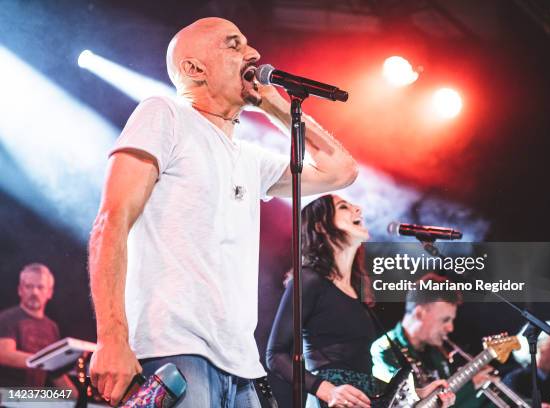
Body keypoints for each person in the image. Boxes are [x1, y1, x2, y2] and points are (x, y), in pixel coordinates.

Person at [88, 17, 359, 407]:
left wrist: (274, 104)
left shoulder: (248, 156)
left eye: (248, 44)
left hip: (242, 366)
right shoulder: (164, 114)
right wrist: (111, 339)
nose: (253, 54)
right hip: (174, 351)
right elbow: (110, 223)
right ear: (194, 69)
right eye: (233, 45)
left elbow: (341, 171)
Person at [266, 195, 455, 408]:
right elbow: (275, 355)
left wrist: (417, 395)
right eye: (344, 207)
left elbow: (364, 376)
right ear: (320, 226)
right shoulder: (308, 279)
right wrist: (326, 390)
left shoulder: (358, 291)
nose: (358, 208)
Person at [371, 273, 493, 408]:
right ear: (420, 313)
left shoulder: (436, 351)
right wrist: (470, 386)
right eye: (445, 320)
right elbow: (399, 402)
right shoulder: (384, 350)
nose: (450, 328)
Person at [0, 263, 75, 392]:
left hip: (34, 400)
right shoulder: (6, 318)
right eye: (29, 286)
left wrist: (78, 399)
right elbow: (4, 354)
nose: (34, 292)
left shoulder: (51, 327)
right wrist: (45, 361)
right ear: (20, 290)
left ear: (49, 292)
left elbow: (54, 371)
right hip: (8, 398)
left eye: (40, 287)